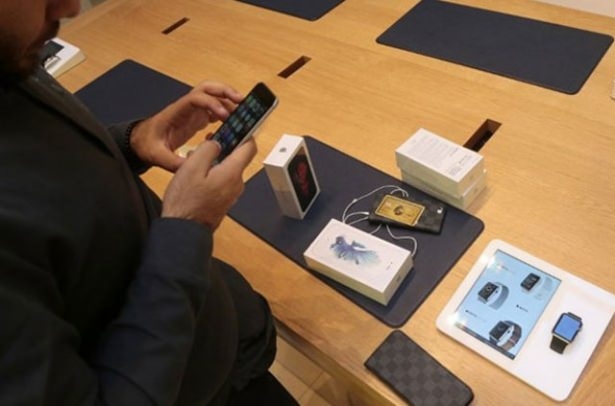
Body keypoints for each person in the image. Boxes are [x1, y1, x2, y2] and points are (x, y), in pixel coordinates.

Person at [0, 1, 297, 404]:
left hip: (215, 337)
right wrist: (187, 229)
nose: (70, 7)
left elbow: (44, 175)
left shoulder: (11, 51)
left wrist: (133, 142)